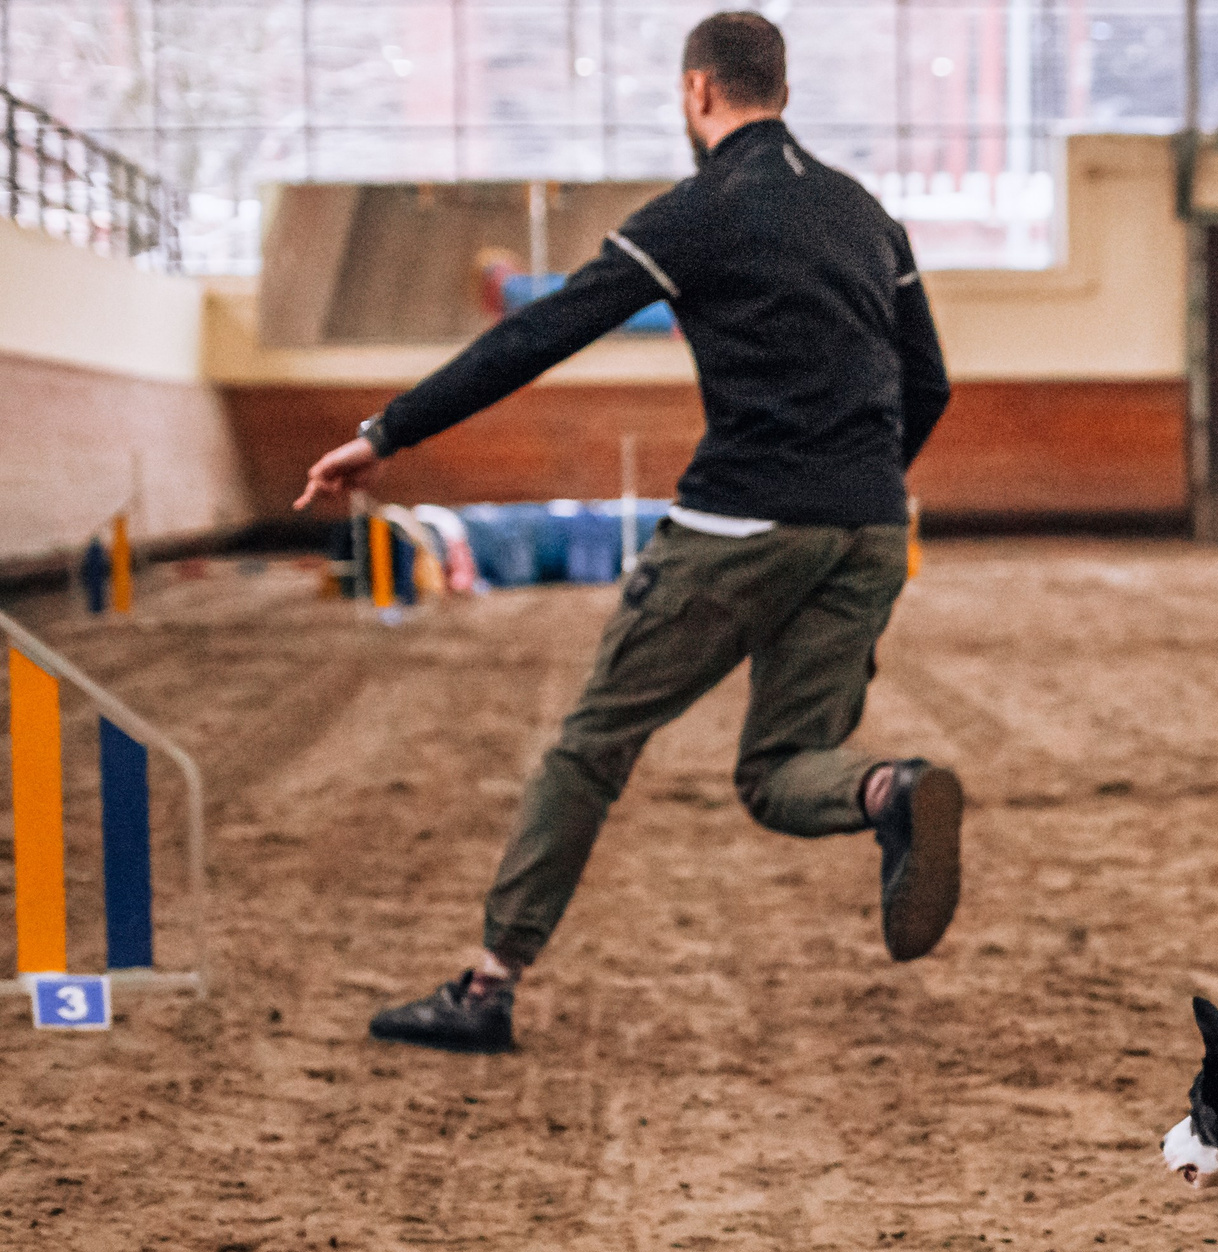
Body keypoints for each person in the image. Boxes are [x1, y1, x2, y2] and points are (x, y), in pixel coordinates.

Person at [297, 12, 960, 1055]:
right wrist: (860, 483)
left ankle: (486, 986)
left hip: (736, 524)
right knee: (785, 766)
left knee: (591, 745)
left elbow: (536, 334)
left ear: (699, 92)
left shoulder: (698, 212)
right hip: (869, 527)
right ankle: (891, 790)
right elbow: (929, 381)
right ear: (780, 88)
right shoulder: (868, 217)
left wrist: (388, 431)